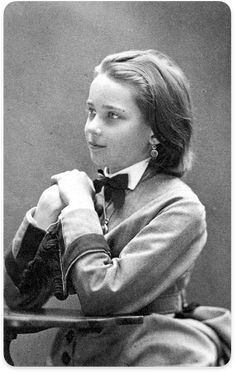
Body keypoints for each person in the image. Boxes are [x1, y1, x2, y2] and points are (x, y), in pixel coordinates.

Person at [4, 50, 230, 366]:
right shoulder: (92, 195)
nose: (92, 127)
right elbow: (17, 300)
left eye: (112, 116)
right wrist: (43, 215)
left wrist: (80, 209)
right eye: (90, 112)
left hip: (152, 355)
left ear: (155, 130)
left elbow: (103, 295)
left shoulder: (181, 208)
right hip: (81, 358)